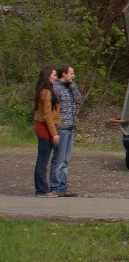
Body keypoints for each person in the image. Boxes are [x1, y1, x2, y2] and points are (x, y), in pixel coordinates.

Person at [50, 63, 81, 197]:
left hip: (70, 127)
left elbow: (79, 99)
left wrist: (72, 84)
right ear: (64, 74)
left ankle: (63, 188)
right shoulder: (56, 88)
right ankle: (55, 187)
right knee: (59, 159)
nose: (73, 76)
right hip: (61, 128)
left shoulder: (70, 88)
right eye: (71, 73)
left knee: (66, 160)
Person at [33, 67, 61, 197]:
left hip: (45, 127)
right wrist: (54, 133)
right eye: (54, 75)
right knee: (43, 160)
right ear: (48, 76)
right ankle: (42, 190)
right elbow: (47, 115)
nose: (55, 77)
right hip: (44, 128)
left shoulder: (47, 90)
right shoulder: (46, 92)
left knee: (43, 159)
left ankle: (41, 189)